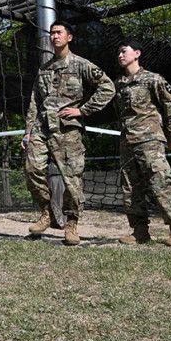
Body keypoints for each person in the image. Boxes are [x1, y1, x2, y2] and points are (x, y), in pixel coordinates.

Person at [23, 20, 114, 245]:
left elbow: (108, 87)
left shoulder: (81, 65)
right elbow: (35, 101)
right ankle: (47, 212)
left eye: (59, 33)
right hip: (42, 128)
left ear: (69, 37)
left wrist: (82, 110)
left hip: (67, 131)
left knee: (72, 180)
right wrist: (27, 131)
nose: (54, 36)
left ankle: (71, 224)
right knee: (31, 169)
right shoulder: (44, 69)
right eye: (52, 33)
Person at [113, 40, 171, 246]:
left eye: (123, 51)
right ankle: (139, 231)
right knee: (130, 188)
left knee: (161, 183)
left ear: (137, 53)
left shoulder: (152, 80)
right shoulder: (118, 84)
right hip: (127, 142)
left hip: (150, 142)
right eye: (119, 52)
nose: (120, 55)